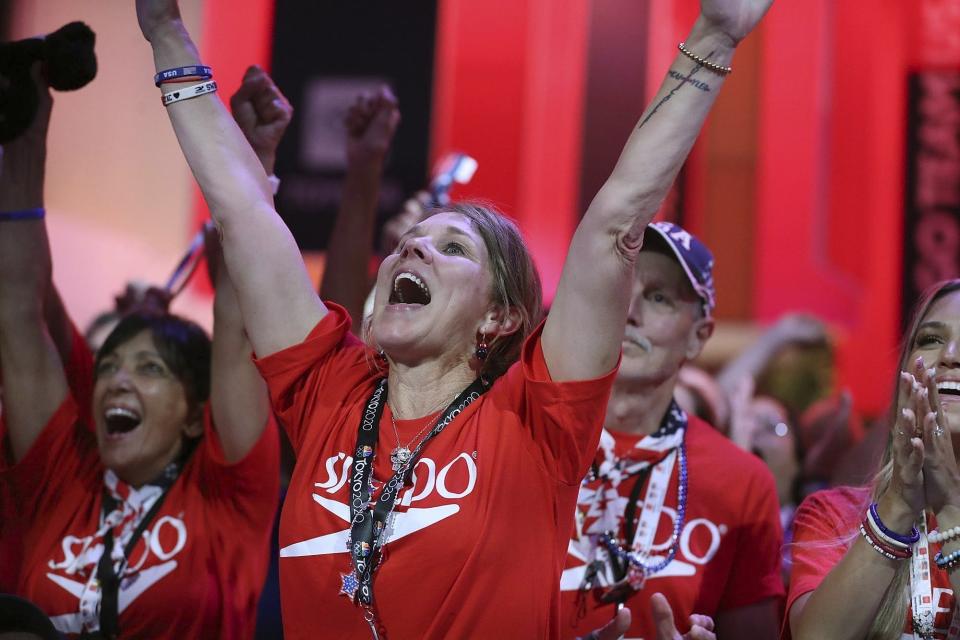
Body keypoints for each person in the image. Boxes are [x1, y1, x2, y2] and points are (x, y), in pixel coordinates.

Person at [135, 0, 771, 637]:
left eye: (454, 248)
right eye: (411, 240)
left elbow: (614, 226)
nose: (413, 248)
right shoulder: (330, 391)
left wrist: (713, 38)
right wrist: (166, 31)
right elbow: (244, 213)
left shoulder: (538, 421)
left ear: (500, 316)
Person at [0, 64, 287, 637]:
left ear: (193, 416)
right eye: (107, 366)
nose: (116, 379)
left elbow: (236, 327)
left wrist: (253, 164)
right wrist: (25, 139)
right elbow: (16, 315)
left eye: (149, 367)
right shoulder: (63, 479)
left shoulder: (228, 493)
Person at [559, 222, 783, 639]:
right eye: (618, 287)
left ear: (699, 337)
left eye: (658, 297)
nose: (629, 311)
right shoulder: (527, 438)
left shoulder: (743, 483)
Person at [786, 278, 960, 639]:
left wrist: (949, 506)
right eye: (930, 340)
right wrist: (897, 508)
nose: (950, 354)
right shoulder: (835, 517)